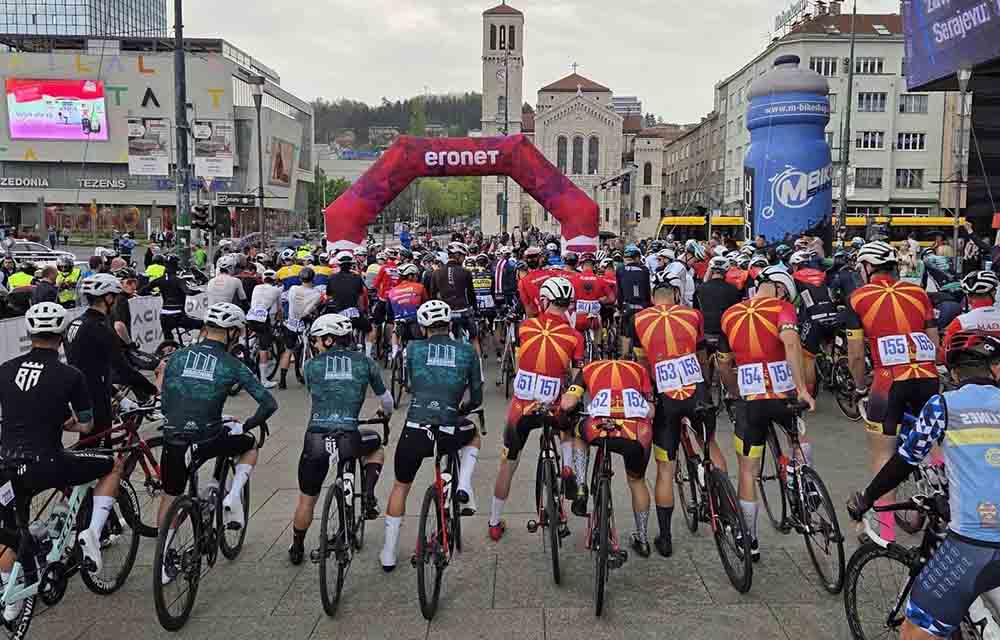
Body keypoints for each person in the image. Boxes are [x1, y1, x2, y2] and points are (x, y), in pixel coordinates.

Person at [847, 331, 1000, 640]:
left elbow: (904, 462)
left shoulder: (943, 406)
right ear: (993, 370)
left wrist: (866, 499)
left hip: (971, 544)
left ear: (954, 374)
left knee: (914, 630)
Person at [0, 303, 123, 616]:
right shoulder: (70, 374)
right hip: (49, 462)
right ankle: (92, 532)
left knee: (12, 531)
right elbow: (87, 424)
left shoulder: (5, 369)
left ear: (29, 332)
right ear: (62, 334)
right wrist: (68, 424)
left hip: (8, 464)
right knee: (113, 464)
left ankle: (11, 597)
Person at [157, 303, 277, 575]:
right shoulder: (232, 364)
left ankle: (163, 559)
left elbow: (166, 403)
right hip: (207, 435)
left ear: (205, 328)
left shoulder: (177, 357)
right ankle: (233, 496)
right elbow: (269, 404)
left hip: (174, 434)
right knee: (248, 443)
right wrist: (245, 425)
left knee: (170, 495)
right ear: (232, 332)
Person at [717, 266, 815, 561]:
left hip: (751, 400)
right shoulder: (782, 308)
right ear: (781, 289)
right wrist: (802, 389)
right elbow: (791, 344)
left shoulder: (730, 314)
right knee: (798, 439)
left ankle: (749, 538)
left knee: (748, 469)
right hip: (783, 396)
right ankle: (801, 483)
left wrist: (734, 392)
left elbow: (723, 364)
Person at [846, 241, 939, 543]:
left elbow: (855, 356)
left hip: (888, 382)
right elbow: (934, 341)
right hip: (927, 377)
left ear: (867, 268)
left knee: (883, 456)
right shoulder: (918, 292)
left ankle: (885, 534)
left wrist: (860, 387)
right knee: (934, 444)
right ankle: (941, 498)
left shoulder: (857, 298)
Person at [379, 300, 483, 571]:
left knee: (401, 485)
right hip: (449, 426)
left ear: (423, 328)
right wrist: (463, 408)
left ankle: (388, 552)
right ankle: (463, 486)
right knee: (473, 435)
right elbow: (476, 394)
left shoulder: (413, 349)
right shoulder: (466, 351)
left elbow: (409, 383)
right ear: (449, 324)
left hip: (416, 427)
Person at [287, 314, 394, 565]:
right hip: (349, 435)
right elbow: (387, 400)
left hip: (316, 437)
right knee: (375, 447)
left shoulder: (310, 366)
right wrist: (384, 413)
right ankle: (368, 495)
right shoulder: (366, 362)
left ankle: (297, 546)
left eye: (316, 340)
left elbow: (316, 394)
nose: (314, 344)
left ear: (328, 339)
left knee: (307, 499)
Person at [488, 277, 584, 541]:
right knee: (568, 426)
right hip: (553, 405)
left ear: (544, 300)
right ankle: (567, 466)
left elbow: (520, 362)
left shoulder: (525, 326)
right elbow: (579, 375)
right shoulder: (575, 336)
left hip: (521, 407)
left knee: (508, 464)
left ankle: (494, 522)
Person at [635, 269, 715, 558]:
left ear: (652, 299)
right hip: (695, 390)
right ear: (677, 296)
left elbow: (641, 365)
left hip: (665, 397)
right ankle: (722, 503)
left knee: (665, 469)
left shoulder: (639, 319)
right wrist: (706, 385)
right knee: (710, 445)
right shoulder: (692, 315)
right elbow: (702, 356)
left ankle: (665, 538)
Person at [561, 357, 656, 558]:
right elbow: (651, 411)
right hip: (636, 435)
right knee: (637, 481)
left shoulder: (589, 369)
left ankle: (581, 485)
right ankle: (642, 539)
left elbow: (568, 403)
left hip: (599, 428)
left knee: (578, 433)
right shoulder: (639, 369)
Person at [68, 274, 158, 432]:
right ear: (108, 298)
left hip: (81, 393)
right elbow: (123, 369)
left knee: (91, 441)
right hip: (96, 398)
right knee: (101, 443)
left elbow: (88, 369)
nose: (116, 302)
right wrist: (153, 391)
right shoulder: (100, 328)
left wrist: (119, 396)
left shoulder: (75, 323)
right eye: (115, 298)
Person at [789, 250, 839, 396]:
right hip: (833, 314)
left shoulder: (795, 277)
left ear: (796, 265)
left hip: (815, 318)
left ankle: (809, 393)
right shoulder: (821, 274)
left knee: (808, 356)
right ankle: (836, 368)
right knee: (830, 345)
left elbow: (793, 300)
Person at [428, 242, 481, 367]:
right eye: (463, 256)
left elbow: (432, 296)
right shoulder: (465, 272)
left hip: (446, 313)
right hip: (463, 311)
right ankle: (479, 369)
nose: (464, 259)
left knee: (441, 339)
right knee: (473, 338)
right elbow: (471, 295)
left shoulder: (437, 273)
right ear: (457, 255)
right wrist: (476, 310)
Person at [278, 266, 323, 389]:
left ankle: (282, 381)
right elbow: (314, 308)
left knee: (288, 351)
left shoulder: (293, 289)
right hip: (305, 324)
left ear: (300, 278)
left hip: (291, 323)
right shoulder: (316, 294)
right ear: (313, 278)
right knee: (315, 346)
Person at [140, 255, 202, 342]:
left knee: (168, 339)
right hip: (178, 316)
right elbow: (189, 292)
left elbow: (142, 291)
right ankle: (200, 345)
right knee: (204, 325)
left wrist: (152, 293)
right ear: (176, 266)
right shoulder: (179, 280)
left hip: (164, 316)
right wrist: (200, 290)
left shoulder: (159, 280)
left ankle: (169, 346)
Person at [326, 251, 373, 355]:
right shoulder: (357, 277)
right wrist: (362, 311)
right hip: (354, 314)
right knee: (370, 330)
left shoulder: (331, 278)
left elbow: (328, 297)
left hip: (337, 315)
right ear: (351, 264)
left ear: (339, 264)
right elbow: (360, 297)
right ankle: (368, 355)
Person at [247, 269, 283, 389]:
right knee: (264, 348)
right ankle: (263, 380)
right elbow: (279, 309)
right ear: (275, 280)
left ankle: (247, 350)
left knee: (250, 337)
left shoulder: (256, 287)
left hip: (250, 316)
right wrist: (280, 321)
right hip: (262, 319)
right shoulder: (276, 290)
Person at [616, 244, 652, 356]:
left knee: (625, 334)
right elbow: (647, 291)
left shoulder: (620, 270)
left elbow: (620, 293)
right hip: (643, 307)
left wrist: (619, 308)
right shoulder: (645, 270)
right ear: (637, 258)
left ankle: (625, 357)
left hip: (627, 307)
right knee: (642, 336)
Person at [387, 263, 427, 358]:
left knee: (395, 327)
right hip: (416, 324)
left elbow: (389, 312)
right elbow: (426, 304)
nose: (417, 277)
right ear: (410, 276)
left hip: (399, 324)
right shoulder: (420, 287)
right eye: (416, 275)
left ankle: (394, 351)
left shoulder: (392, 291)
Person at [111, 268, 139, 347]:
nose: (133, 286)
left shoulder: (115, 297)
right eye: (129, 282)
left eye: (135, 282)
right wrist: (129, 343)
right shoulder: (121, 300)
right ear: (120, 283)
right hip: (120, 344)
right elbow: (118, 326)